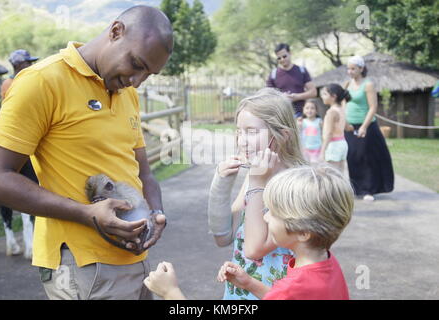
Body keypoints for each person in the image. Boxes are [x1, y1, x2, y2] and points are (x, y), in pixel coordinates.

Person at [0, 5, 172, 300]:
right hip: (84, 269)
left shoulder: (129, 94)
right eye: (136, 64)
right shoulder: (42, 81)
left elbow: (144, 172)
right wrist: (86, 214)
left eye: (149, 73)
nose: (137, 80)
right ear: (115, 32)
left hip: (136, 262)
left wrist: (156, 212)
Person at [144, 165, 354, 300]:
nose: (265, 217)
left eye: (274, 212)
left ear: (303, 232)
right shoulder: (326, 264)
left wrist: (170, 292)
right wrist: (250, 283)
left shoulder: (294, 287)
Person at [207, 88, 307, 300]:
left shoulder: (297, 188)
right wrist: (221, 184)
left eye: (251, 132)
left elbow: (255, 250)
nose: (241, 141)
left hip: (273, 294)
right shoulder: (254, 176)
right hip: (239, 293)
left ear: (282, 135)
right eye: (239, 131)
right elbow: (223, 236)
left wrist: (256, 181)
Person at [0, 49, 40, 259]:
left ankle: (13, 242)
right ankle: (29, 244)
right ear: (19, 65)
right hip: (23, 140)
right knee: (29, 188)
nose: (31, 65)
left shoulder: (6, 84)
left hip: (10, 138)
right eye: (28, 62)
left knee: (7, 193)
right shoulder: (22, 83)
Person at [344, 55, 394, 201]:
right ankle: (356, 188)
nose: (350, 71)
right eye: (348, 68)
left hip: (366, 125)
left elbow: (373, 107)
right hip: (349, 126)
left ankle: (368, 190)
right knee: (353, 157)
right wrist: (344, 121)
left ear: (361, 68)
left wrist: (364, 127)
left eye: (353, 68)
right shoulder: (347, 84)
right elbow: (342, 102)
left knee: (366, 158)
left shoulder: (368, 84)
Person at [266, 43, 317, 119]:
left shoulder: (301, 71)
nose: (282, 59)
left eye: (284, 56)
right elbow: (267, 96)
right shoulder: (273, 74)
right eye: (279, 58)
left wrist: (296, 97)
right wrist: (282, 98)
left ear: (290, 53)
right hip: (281, 116)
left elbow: (313, 92)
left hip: (301, 115)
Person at [319, 84, 350, 173]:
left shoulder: (331, 112)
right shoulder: (341, 109)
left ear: (333, 96)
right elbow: (347, 127)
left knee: (331, 174)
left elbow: (329, 134)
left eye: (325, 94)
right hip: (342, 143)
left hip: (333, 145)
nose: (322, 96)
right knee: (340, 173)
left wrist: (322, 152)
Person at [300, 99, 322, 163]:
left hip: (317, 149)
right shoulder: (302, 122)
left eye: (312, 108)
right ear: (303, 109)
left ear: (316, 111)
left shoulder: (319, 121)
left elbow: (323, 134)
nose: (309, 110)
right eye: (307, 108)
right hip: (305, 149)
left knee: (316, 166)